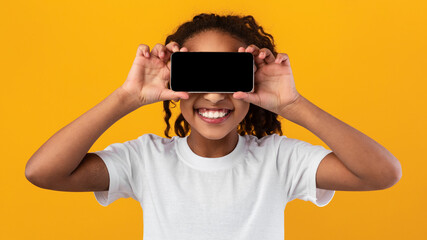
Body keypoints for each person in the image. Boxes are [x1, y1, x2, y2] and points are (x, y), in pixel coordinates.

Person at [25, 13, 402, 240]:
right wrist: (128, 96)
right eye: (199, 75)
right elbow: (42, 172)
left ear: (253, 83)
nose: (215, 96)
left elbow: (383, 174)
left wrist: (292, 103)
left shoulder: (278, 159)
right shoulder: (146, 160)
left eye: (229, 77)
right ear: (175, 83)